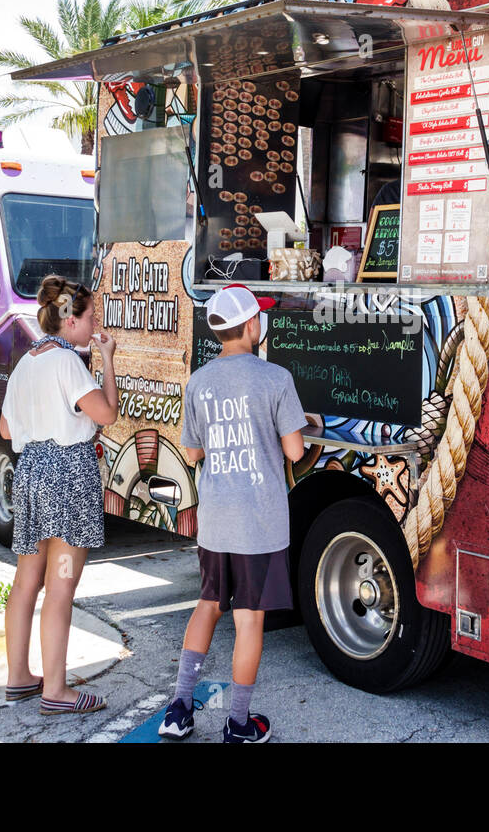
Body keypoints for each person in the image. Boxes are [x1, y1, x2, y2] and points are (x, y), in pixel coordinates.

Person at [159, 283, 307, 743]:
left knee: (207, 606)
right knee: (249, 620)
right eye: (259, 317)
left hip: (216, 522)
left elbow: (192, 450)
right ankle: (239, 723)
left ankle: (179, 709)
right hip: (258, 526)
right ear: (251, 326)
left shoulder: (200, 381)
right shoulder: (275, 378)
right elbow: (296, 451)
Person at [0, 275, 118, 715]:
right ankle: (56, 690)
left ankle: (18, 677)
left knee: (27, 580)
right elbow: (106, 413)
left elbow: (7, 430)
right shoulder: (69, 362)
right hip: (67, 477)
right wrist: (106, 361)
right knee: (62, 586)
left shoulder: (27, 361)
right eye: (90, 318)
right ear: (70, 321)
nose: (93, 325)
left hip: (30, 472)